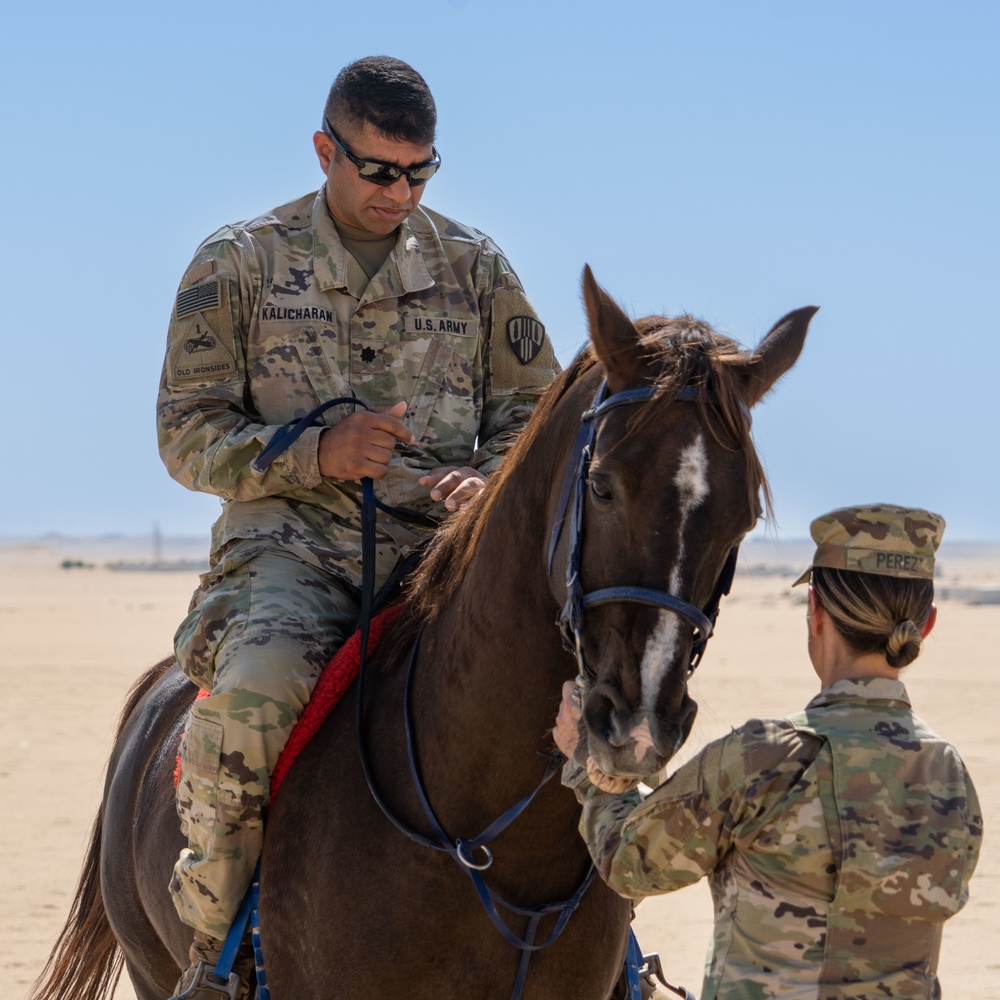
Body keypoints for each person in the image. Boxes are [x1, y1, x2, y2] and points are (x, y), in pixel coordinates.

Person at [158, 56, 559, 998]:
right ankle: (213, 954)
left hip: (437, 556)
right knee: (252, 699)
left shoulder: (476, 266)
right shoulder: (239, 262)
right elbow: (186, 434)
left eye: (421, 172)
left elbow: (535, 423)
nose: (400, 192)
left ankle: (603, 953)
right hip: (289, 552)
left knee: (570, 703)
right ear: (324, 149)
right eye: (379, 170)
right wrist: (315, 454)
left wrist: (488, 481)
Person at [554, 504, 982, 1000]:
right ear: (925, 626)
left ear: (815, 612)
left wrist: (587, 768)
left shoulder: (763, 759)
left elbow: (630, 865)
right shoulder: (949, 774)